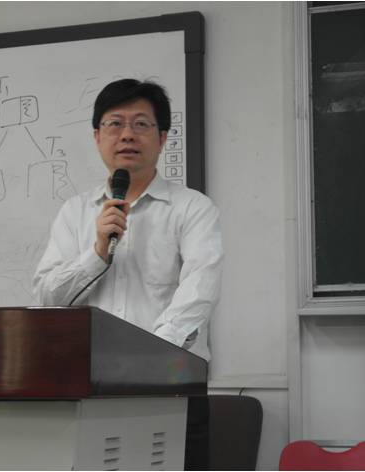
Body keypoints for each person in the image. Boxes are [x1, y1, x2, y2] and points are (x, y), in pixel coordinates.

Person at [32, 79, 223, 470]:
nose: (127, 135)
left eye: (141, 124)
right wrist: (97, 253)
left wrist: (146, 361)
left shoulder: (193, 208)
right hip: (88, 390)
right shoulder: (75, 212)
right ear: (97, 136)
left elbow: (198, 293)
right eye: (114, 124)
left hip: (171, 385)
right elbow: (48, 299)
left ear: (163, 137)